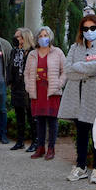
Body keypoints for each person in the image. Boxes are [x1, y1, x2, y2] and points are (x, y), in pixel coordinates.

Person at [58, 15, 96, 181]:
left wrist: (79, 66)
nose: (89, 32)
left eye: (92, 28)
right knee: (81, 134)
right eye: (85, 29)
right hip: (77, 97)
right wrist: (88, 69)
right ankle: (81, 166)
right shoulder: (75, 47)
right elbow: (68, 69)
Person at [25, 26, 66, 161]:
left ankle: (51, 148)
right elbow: (26, 73)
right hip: (37, 91)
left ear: (51, 37)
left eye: (46, 35)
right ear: (37, 38)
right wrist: (28, 86)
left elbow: (64, 71)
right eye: (41, 36)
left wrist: (59, 84)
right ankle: (40, 147)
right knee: (40, 121)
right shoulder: (32, 54)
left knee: (52, 121)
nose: (44, 38)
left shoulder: (58, 52)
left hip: (52, 91)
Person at [7, 28, 34, 151]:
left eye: (18, 36)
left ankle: (35, 142)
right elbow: (10, 67)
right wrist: (9, 82)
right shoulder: (14, 51)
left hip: (28, 87)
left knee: (31, 115)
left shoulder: (32, 52)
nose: (16, 38)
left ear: (25, 38)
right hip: (17, 87)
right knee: (19, 116)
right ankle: (20, 141)